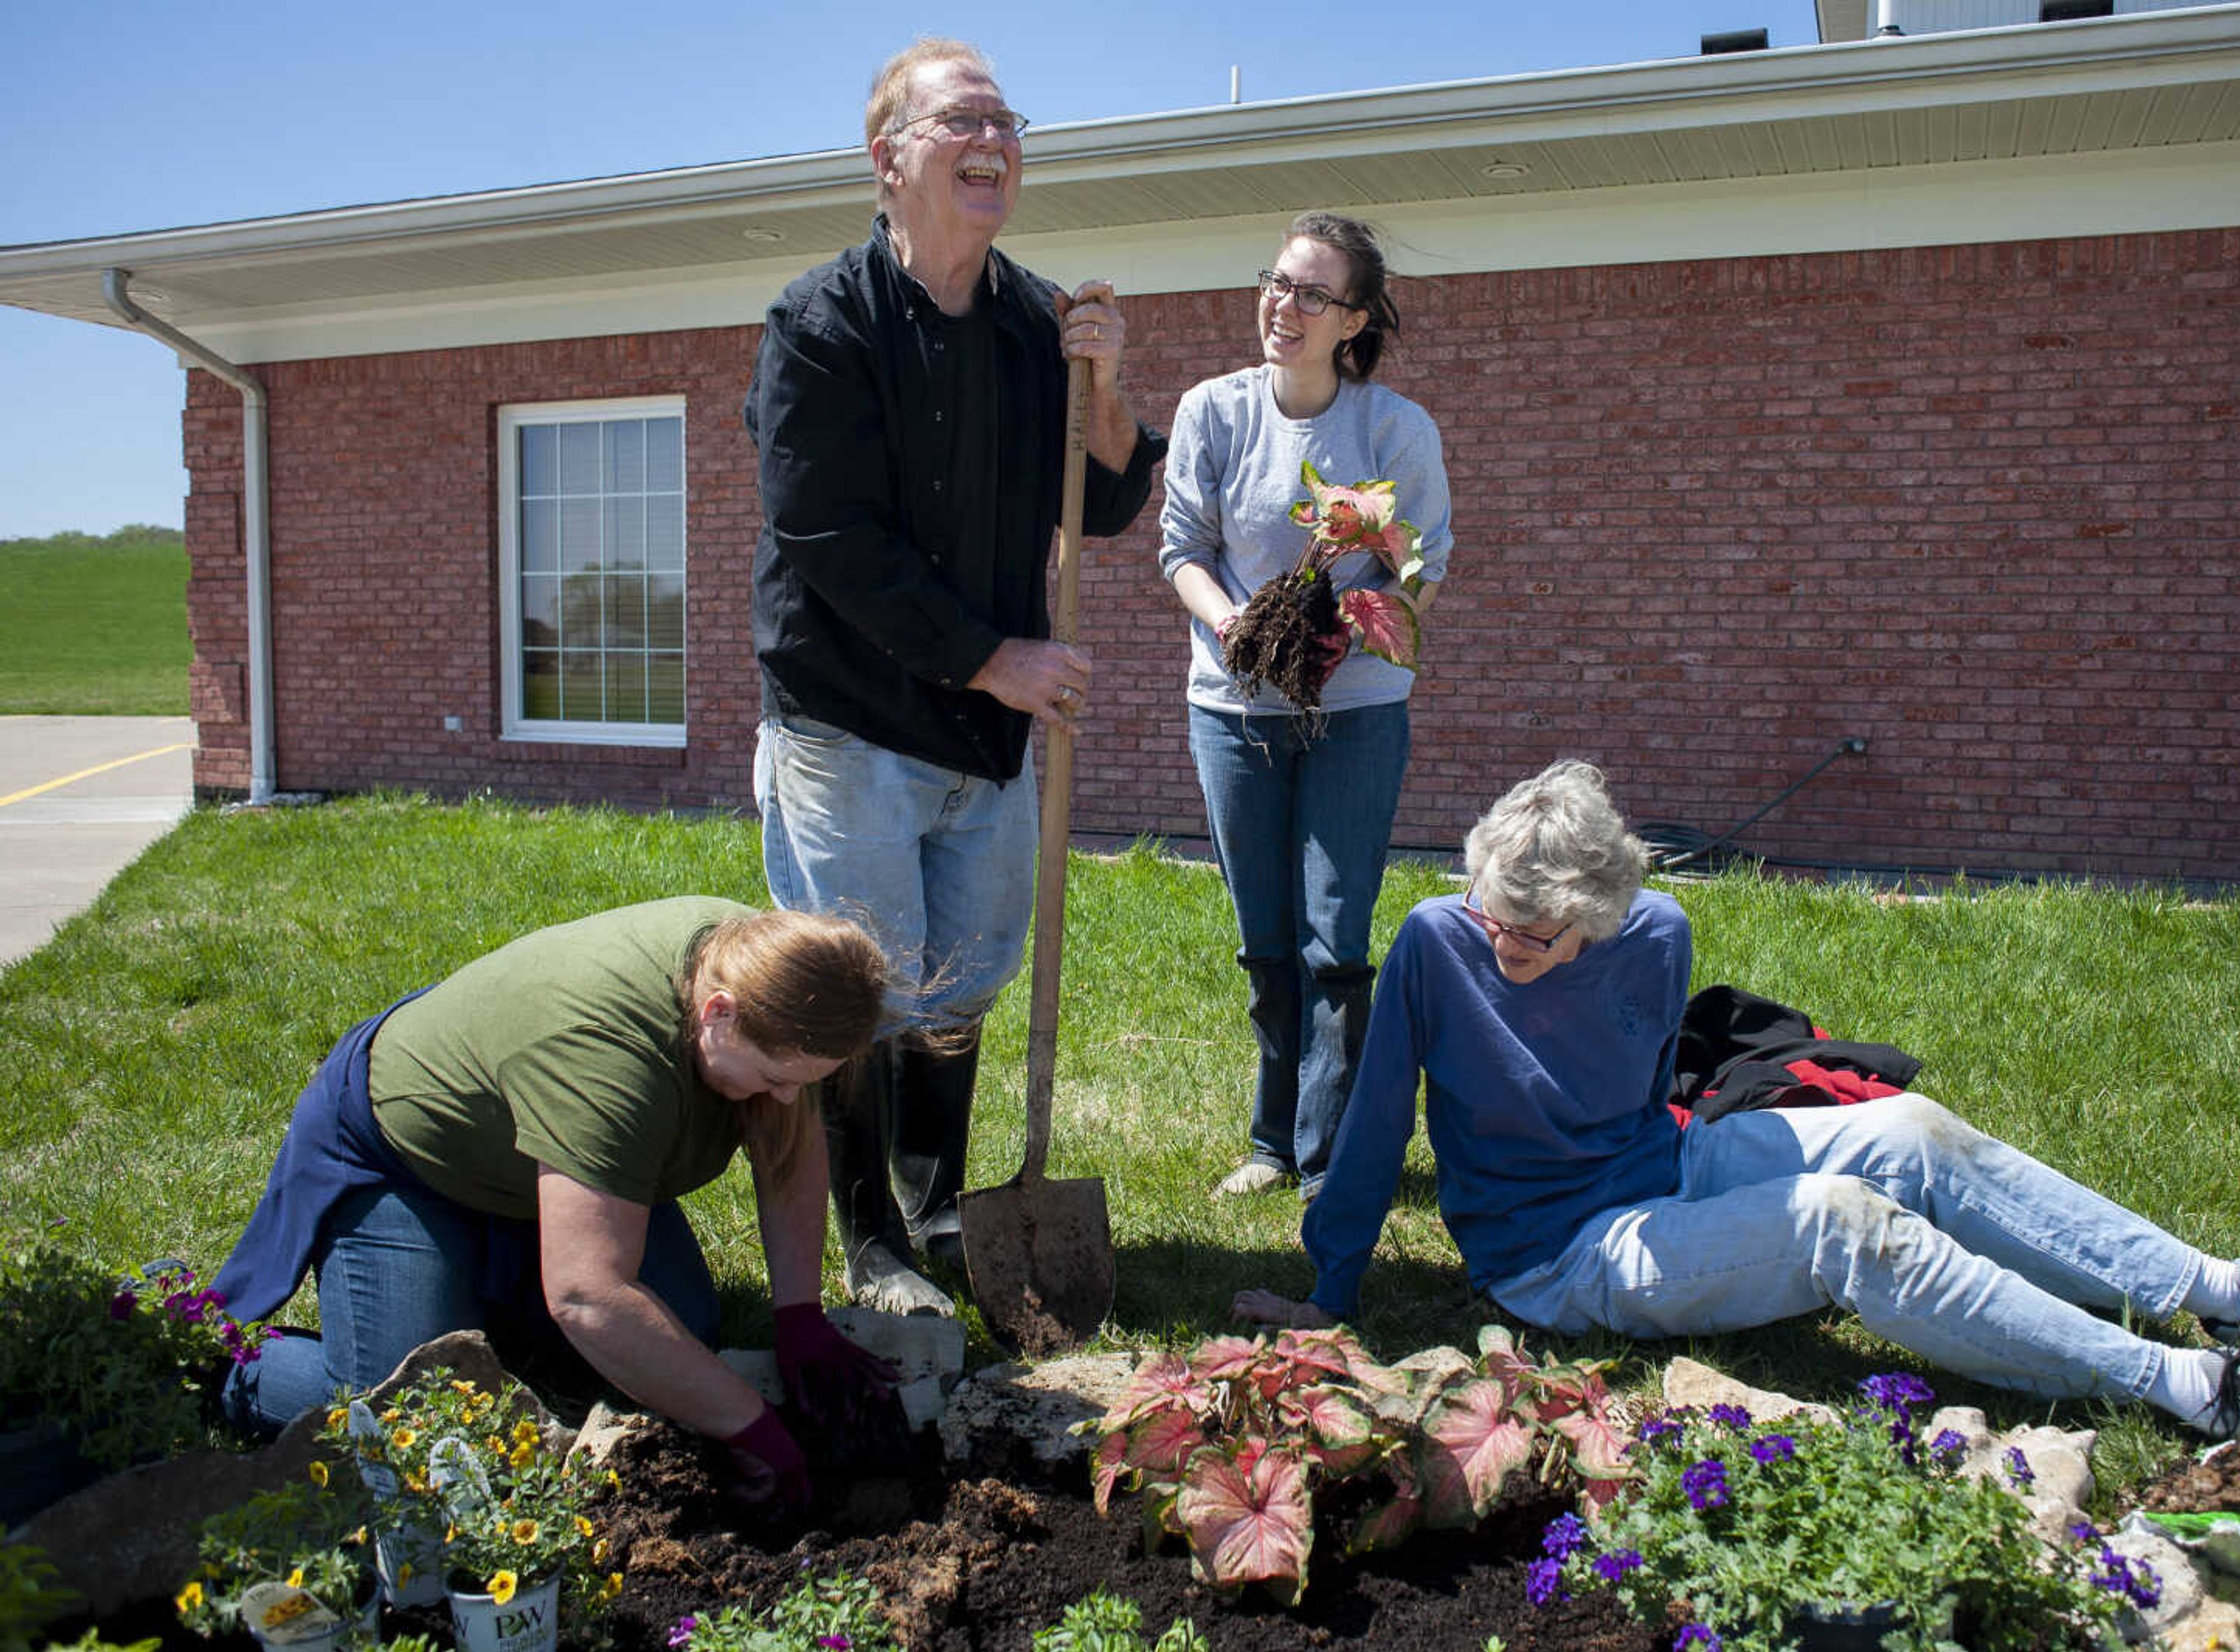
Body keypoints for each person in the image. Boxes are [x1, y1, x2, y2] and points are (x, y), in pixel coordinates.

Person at [1235, 761, 2240, 1439]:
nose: (1504, 943)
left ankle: (2222, 1292)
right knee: (1841, 1223)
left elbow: (1646, 1090)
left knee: (1908, 1131)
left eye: (1534, 934)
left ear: (1598, 915)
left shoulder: (1656, 936)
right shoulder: (1441, 945)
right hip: (1554, 1251)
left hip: (1663, 1168)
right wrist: (1330, 1292)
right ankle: (2199, 1389)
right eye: (1490, 912)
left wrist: (1713, 1176)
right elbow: (1378, 1123)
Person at [746, 37, 1169, 1318]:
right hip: (856, 710)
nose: (995, 138)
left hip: (987, 727)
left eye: (1007, 120)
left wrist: (1105, 389)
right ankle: (870, 1234)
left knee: (963, 979)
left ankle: (936, 1213)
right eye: (962, 119)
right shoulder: (820, 324)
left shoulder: (1037, 320)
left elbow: (1098, 502)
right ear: (890, 160)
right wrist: (998, 659)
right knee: (859, 984)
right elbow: (830, 542)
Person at [215, 898, 900, 1508]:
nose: (786, 1098)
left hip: (531, 1158)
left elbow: (790, 1150)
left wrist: (799, 1316)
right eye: (776, 1079)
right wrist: (752, 1428)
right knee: (423, 1422)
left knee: (683, 1334)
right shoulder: (612, 1058)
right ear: (718, 1016)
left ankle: (475, 1293)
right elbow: (589, 1294)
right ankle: (206, 1350)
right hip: (407, 1163)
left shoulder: (764, 969)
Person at [1158, 211, 1452, 1202]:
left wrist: (1348, 629)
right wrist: (1241, 626)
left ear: (1353, 319)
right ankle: (1269, 1143)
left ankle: (1329, 1157)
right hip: (1233, 711)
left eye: (1311, 294)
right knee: (1266, 939)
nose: (1283, 306)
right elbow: (1182, 549)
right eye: (1277, 283)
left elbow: (1420, 566)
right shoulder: (1214, 410)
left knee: (1335, 939)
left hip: (1356, 710)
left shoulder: (1392, 430)